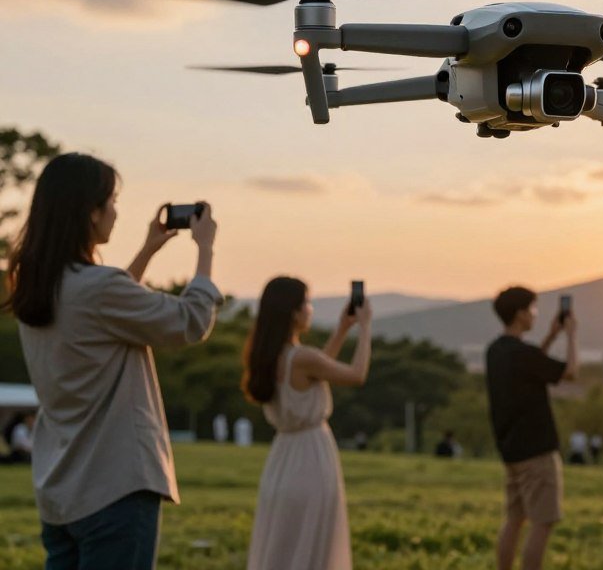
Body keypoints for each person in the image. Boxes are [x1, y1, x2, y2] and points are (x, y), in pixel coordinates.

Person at [5, 153, 221, 570]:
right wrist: (206, 252)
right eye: (112, 200)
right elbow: (190, 323)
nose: (116, 212)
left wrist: (146, 251)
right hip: (114, 487)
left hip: (61, 489)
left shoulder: (37, 285)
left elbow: (103, 313)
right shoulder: (97, 288)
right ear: (90, 212)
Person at [244, 276, 373, 570]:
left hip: (282, 460)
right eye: (307, 303)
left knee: (286, 546)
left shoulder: (271, 356)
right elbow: (356, 374)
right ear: (294, 311)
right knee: (314, 546)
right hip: (312, 458)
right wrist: (365, 327)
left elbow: (320, 369)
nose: (310, 310)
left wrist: (342, 329)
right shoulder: (302, 357)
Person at [485, 286, 579, 570]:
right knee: (542, 523)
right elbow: (570, 372)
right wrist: (572, 335)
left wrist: (551, 336)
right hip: (537, 449)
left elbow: (531, 362)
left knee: (514, 519)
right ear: (520, 314)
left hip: (511, 449)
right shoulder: (523, 353)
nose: (535, 315)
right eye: (533, 309)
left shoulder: (496, 350)